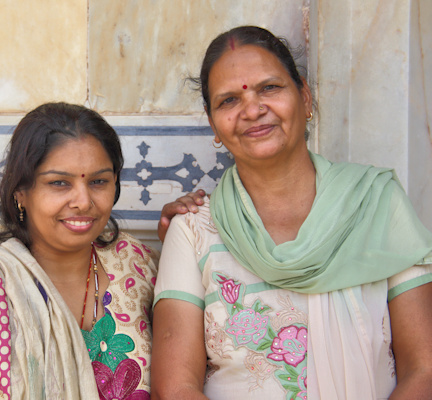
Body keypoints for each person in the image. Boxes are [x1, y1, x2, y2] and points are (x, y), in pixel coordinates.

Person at [151, 26, 432, 400]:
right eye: (229, 100)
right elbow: (174, 388)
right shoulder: (193, 230)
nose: (252, 109)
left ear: (305, 95)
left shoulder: (376, 203)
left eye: (269, 88)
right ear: (213, 123)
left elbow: (425, 370)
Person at [0, 102, 159, 399]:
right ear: (21, 192)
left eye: (98, 181)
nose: (83, 201)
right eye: (59, 183)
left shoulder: (138, 264)